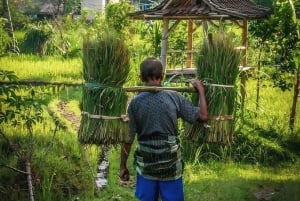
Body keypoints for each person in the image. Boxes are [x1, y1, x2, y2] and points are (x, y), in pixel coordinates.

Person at [119, 57, 208, 201]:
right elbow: (203, 116)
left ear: (141, 78)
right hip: (170, 166)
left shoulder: (135, 103)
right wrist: (201, 91)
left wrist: (123, 166)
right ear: (163, 77)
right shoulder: (174, 97)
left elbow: (128, 139)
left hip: (147, 166)